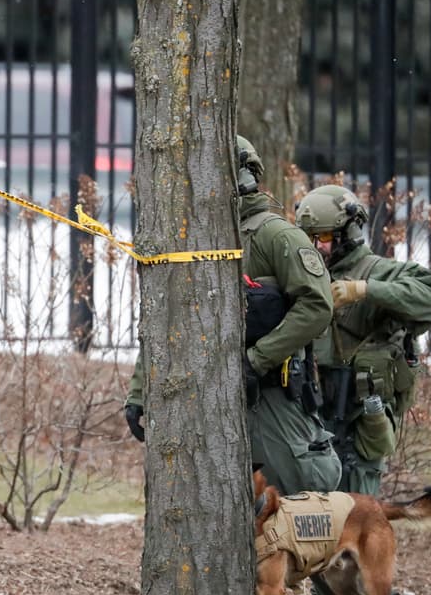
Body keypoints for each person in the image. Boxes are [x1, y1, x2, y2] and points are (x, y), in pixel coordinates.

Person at [126, 136, 341, 497]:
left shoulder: (276, 236)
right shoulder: (188, 241)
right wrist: (140, 392)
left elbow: (317, 306)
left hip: (271, 397)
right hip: (202, 397)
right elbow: (164, 320)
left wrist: (255, 360)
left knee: (294, 497)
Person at [296, 183, 431, 595]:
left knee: (354, 529)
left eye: (324, 237)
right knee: (319, 531)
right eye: (311, 239)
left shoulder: (379, 271)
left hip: (360, 422)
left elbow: (428, 295)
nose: (317, 247)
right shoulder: (306, 273)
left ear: (348, 232)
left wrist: (363, 290)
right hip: (318, 418)